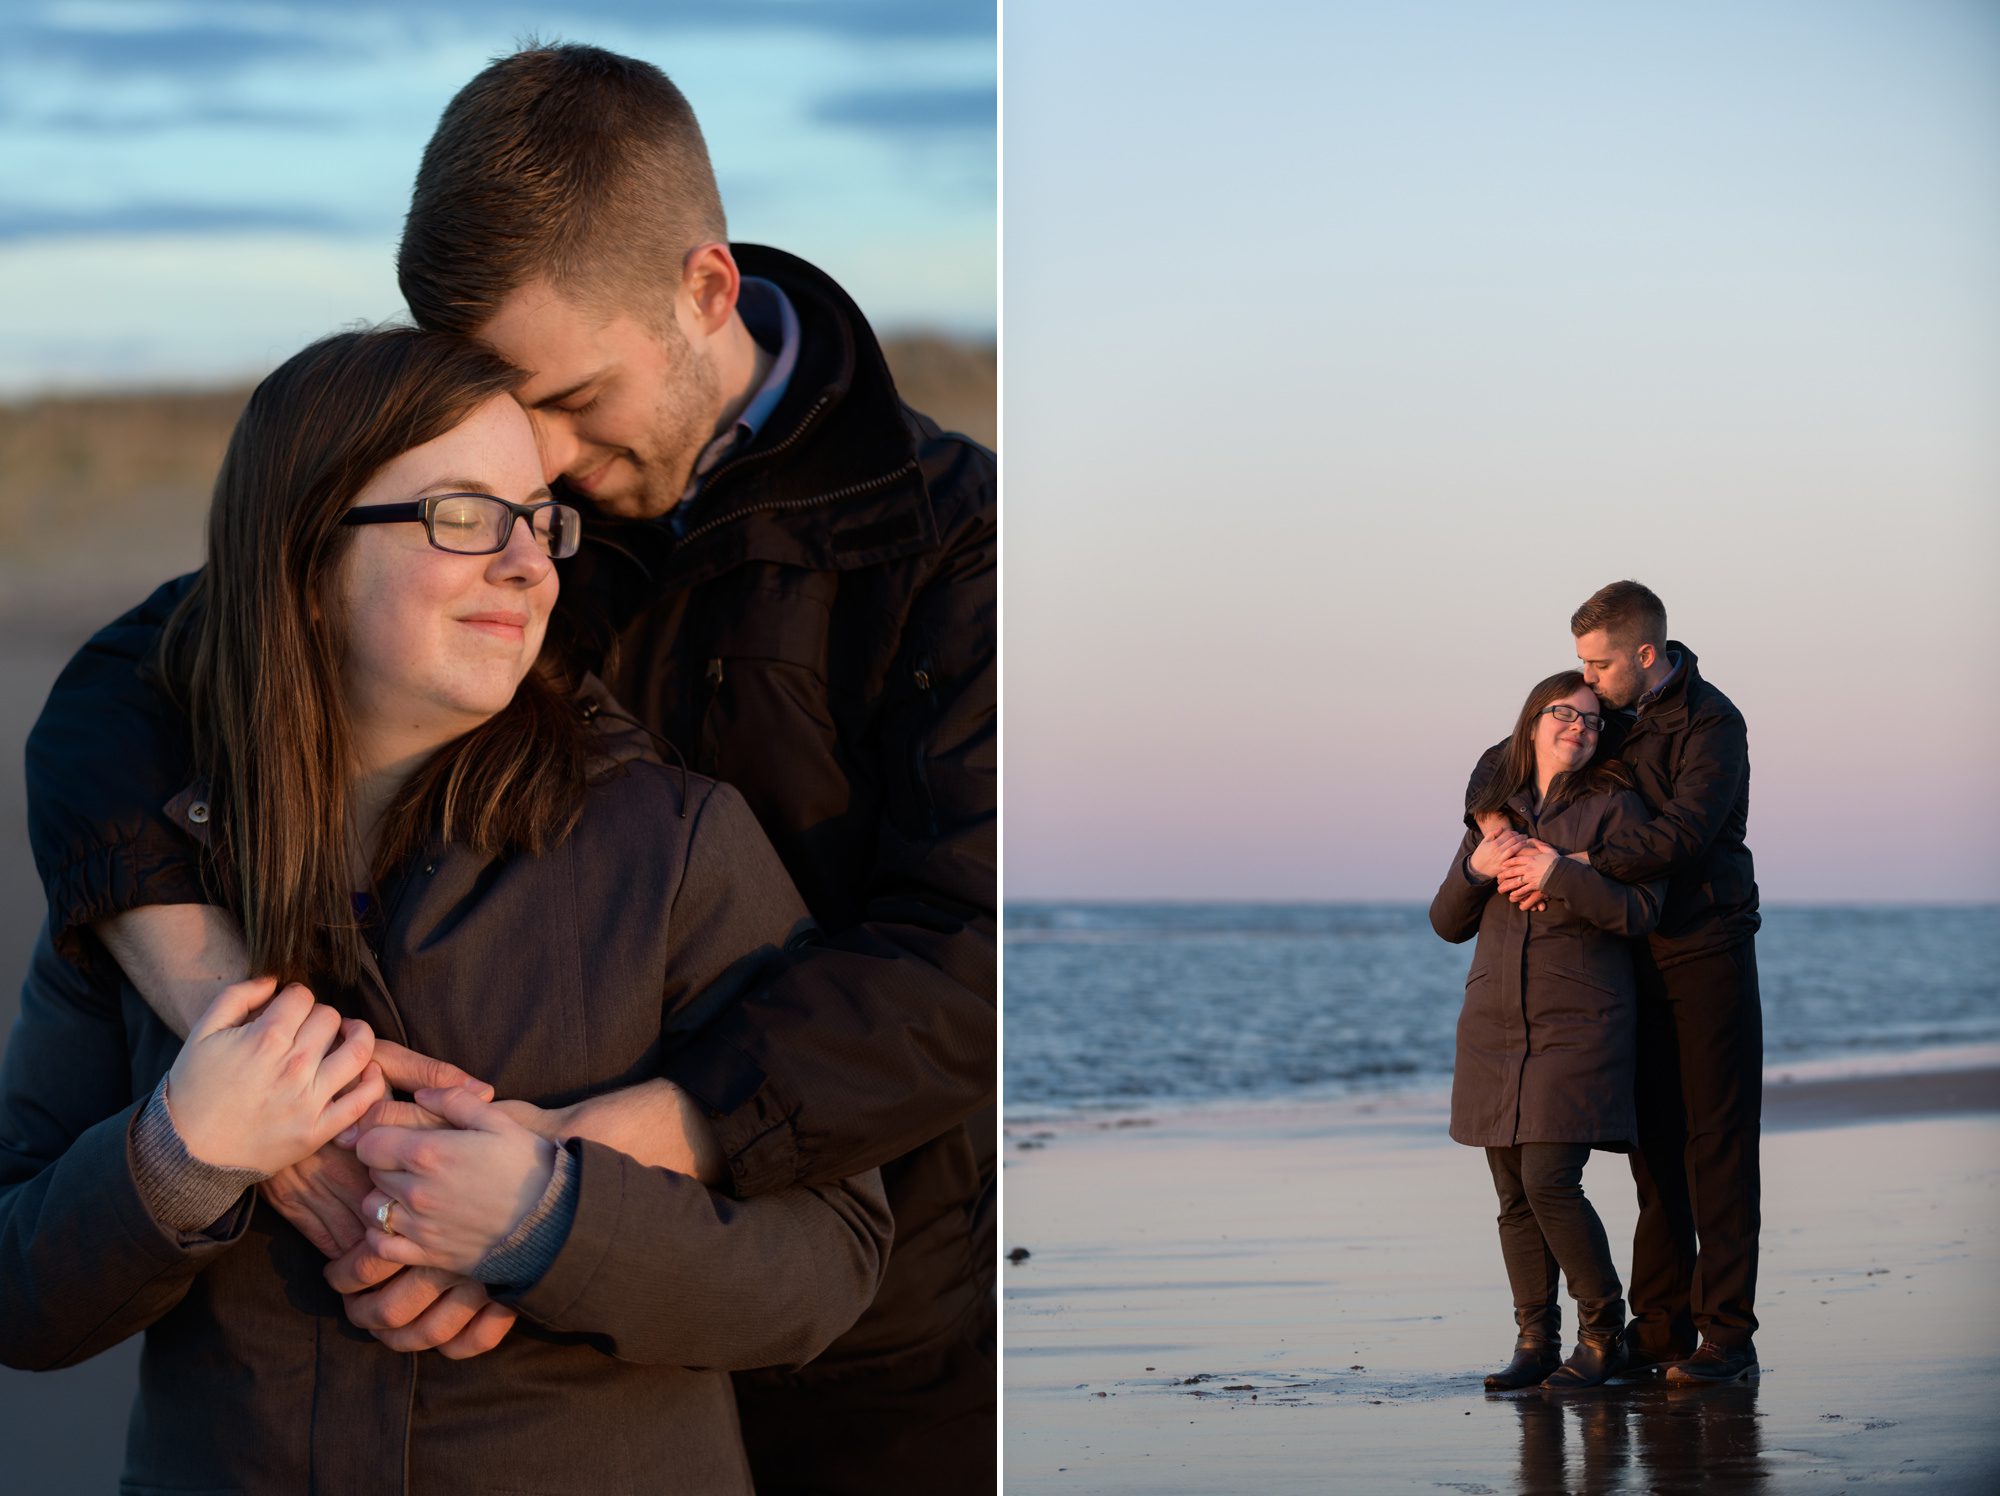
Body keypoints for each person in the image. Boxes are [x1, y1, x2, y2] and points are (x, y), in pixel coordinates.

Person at [24, 44, 996, 1488]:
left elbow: (983, 950)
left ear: (707, 294)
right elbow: (134, 680)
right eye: (493, 448)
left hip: (876, 1355)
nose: (543, 475)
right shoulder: (512, 509)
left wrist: (585, 1172)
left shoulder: (963, 554)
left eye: (570, 401)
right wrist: (230, 1037)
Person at [1470, 581, 1762, 1386]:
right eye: (1580, 669)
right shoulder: (1611, 713)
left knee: (1718, 1147)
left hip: (1705, 947)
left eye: (1598, 665)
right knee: (1653, 1152)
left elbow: (1683, 834)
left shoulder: (1714, 723)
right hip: (1627, 956)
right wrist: (1499, 835)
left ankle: (1728, 1339)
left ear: (1644, 653)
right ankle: (1660, 1329)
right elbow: (1498, 763)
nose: (1586, 684)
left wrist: (1576, 866)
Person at [1433, 671, 1664, 1391]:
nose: (1580, 727)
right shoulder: (1494, 816)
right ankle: (1535, 1341)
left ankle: (1602, 1333)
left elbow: (1640, 912)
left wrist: (1560, 873)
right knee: (1510, 1190)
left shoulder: (1616, 810)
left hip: (1581, 1023)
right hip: (1494, 1027)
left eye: (1593, 721)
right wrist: (1476, 866)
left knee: (1549, 1179)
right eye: (1565, 713)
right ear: (1532, 722)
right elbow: (1447, 923)